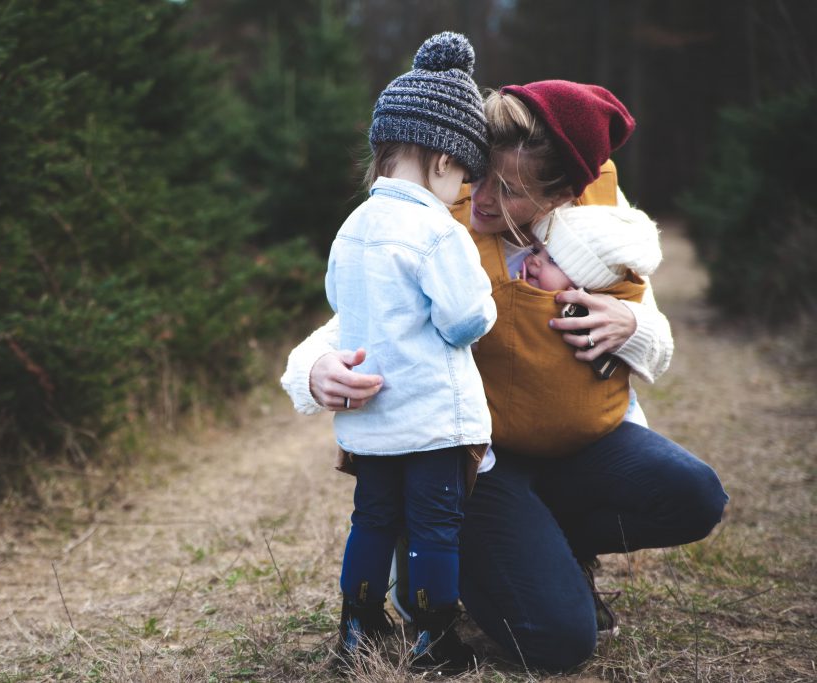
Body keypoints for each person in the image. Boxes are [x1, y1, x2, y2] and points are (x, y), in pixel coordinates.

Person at [281, 79, 728, 672]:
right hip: (477, 461)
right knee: (559, 643)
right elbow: (358, 317)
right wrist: (313, 370)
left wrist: (632, 325)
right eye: (480, 175)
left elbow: (658, 339)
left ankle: (553, 545)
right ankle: (466, 553)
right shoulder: (439, 220)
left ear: (562, 194)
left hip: (579, 447)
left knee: (695, 495)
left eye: (509, 190)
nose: (482, 197)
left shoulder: (599, 231)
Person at [325, 31, 494, 674]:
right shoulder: (435, 230)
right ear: (444, 161)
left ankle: (357, 626)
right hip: (430, 419)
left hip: (371, 422)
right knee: (432, 529)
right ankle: (433, 638)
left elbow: (340, 301)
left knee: (371, 519)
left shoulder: (353, 225)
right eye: (465, 177)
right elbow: (463, 320)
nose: (462, 193)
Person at [482, 203, 663, 458]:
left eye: (552, 260)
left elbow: (657, 350)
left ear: (585, 286)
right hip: (509, 439)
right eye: (536, 251)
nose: (533, 261)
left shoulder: (600, 309)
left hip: (602, 431)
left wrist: (634, 326)